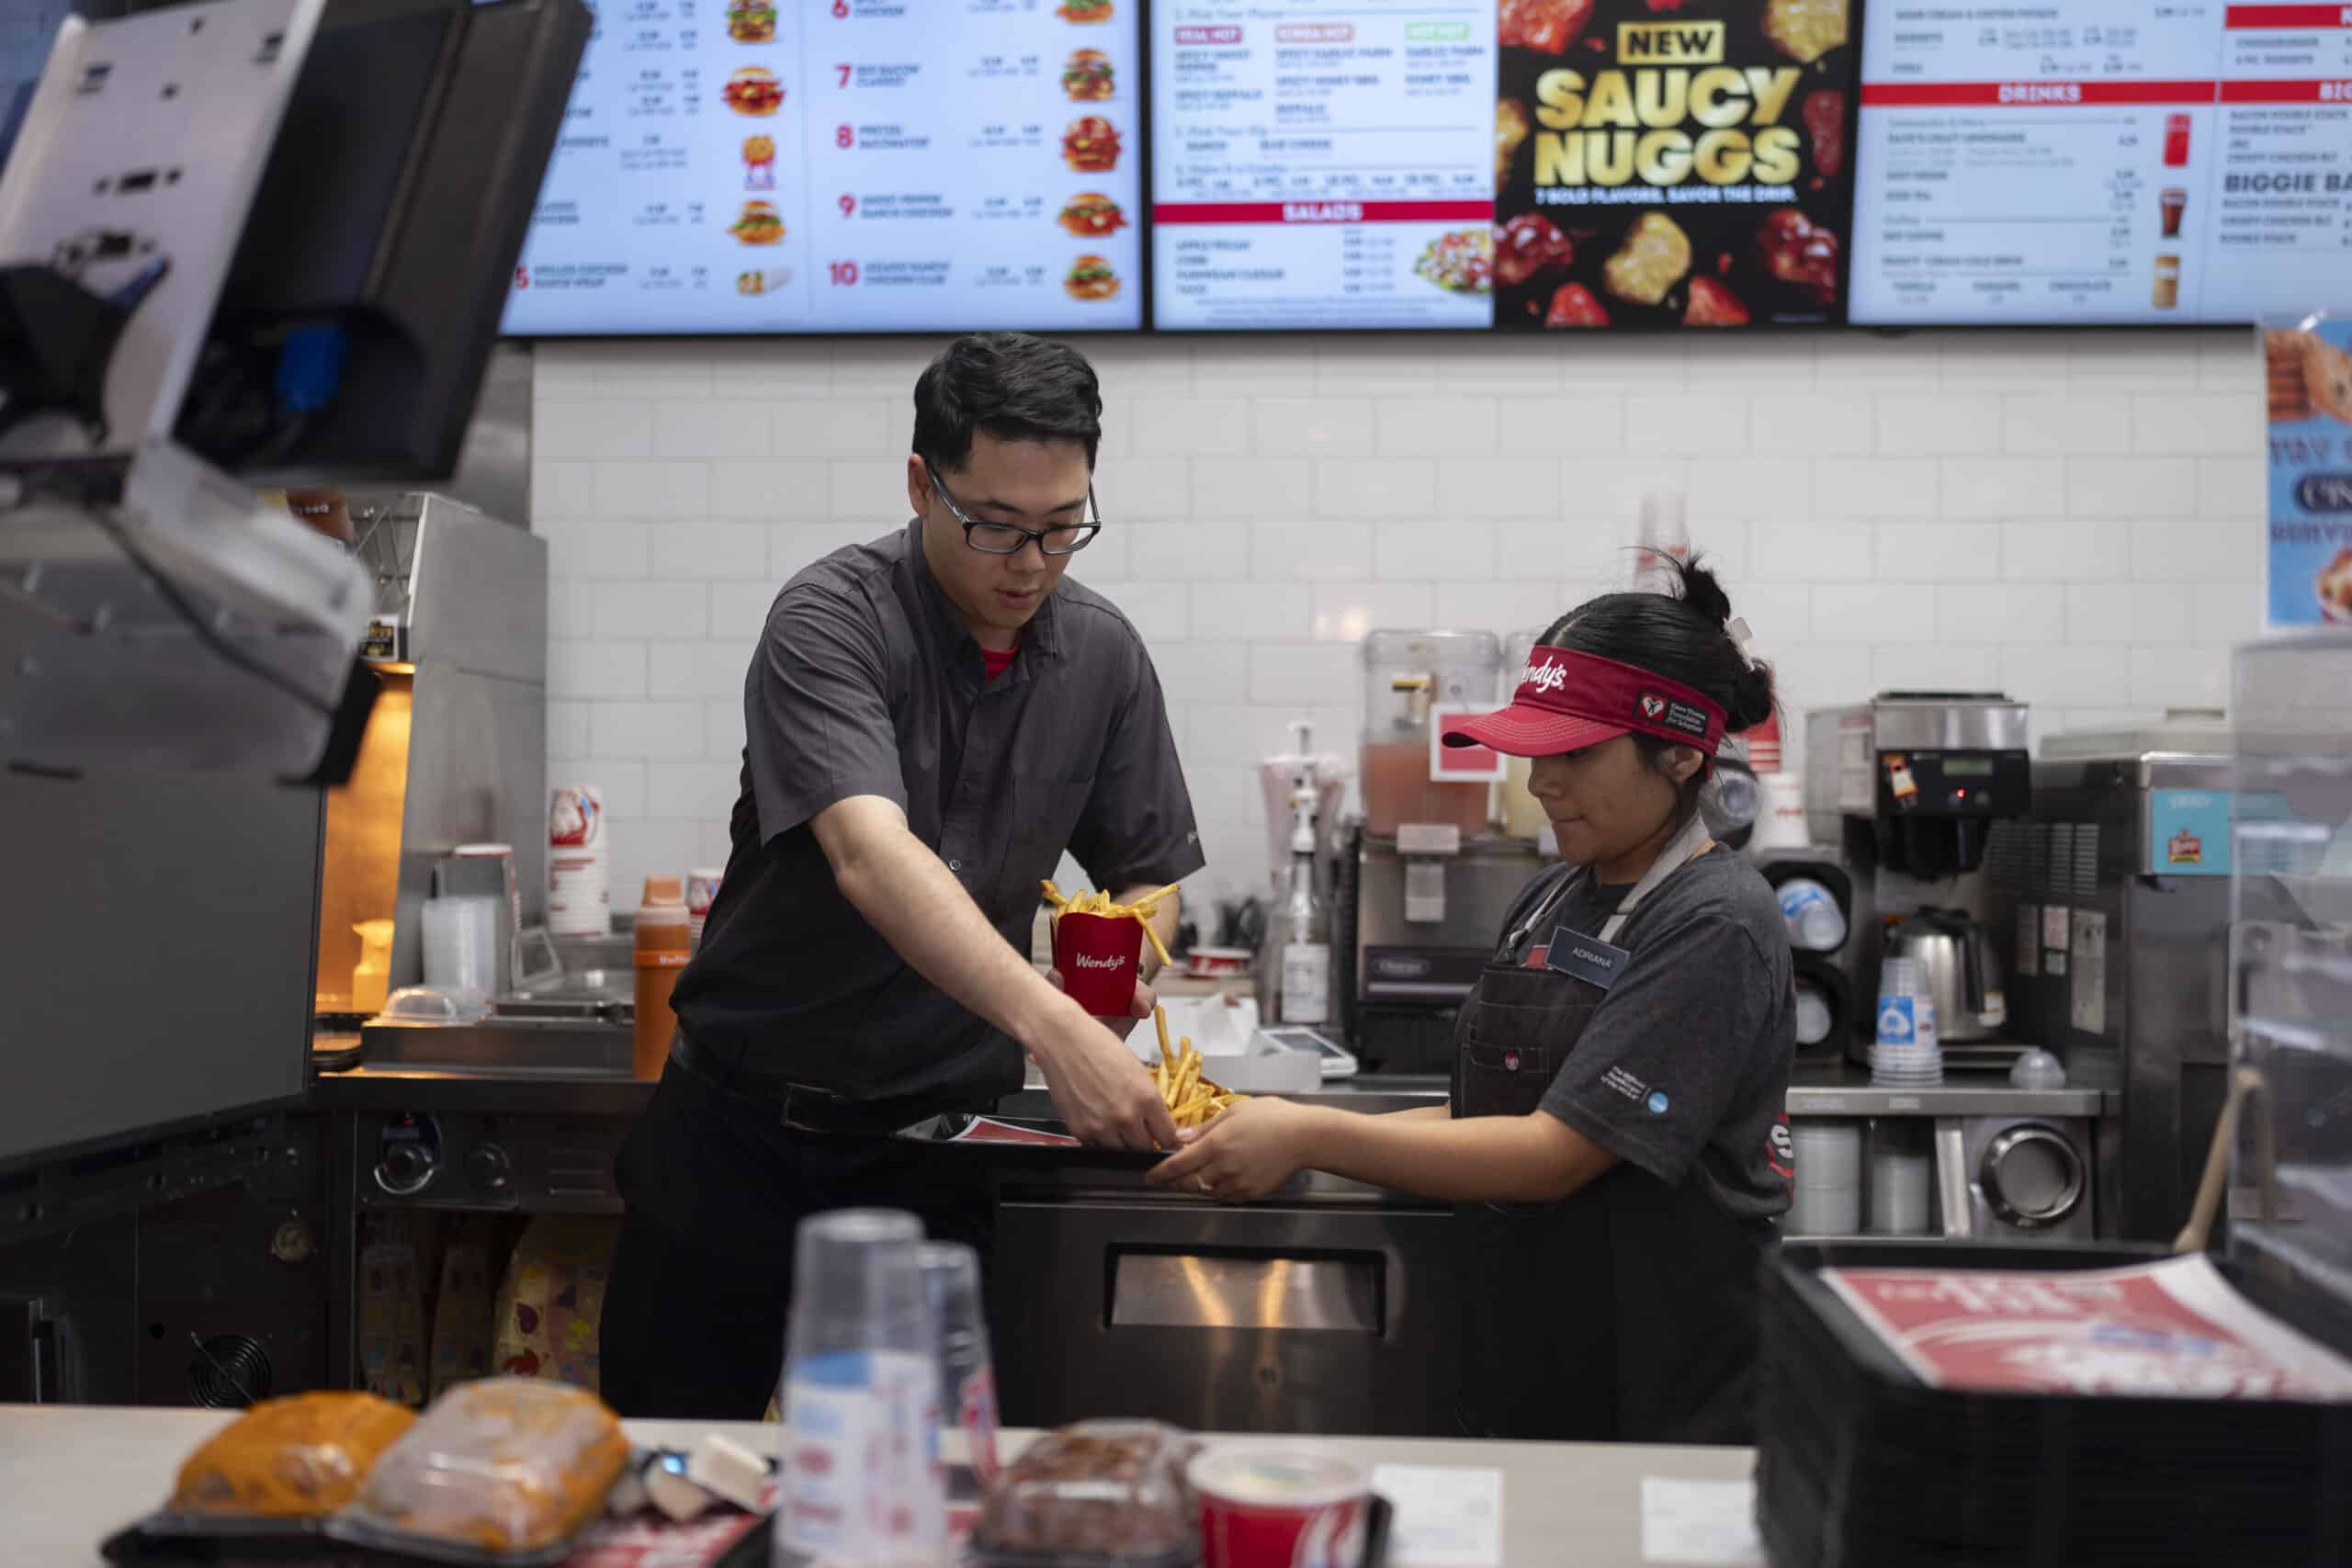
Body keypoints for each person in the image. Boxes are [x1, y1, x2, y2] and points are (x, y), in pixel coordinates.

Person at [602, 333, 1203, 1417]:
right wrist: (1054, 1027)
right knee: (674, 1465)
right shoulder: (830, 620)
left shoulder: (1102, 654)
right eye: (996, 527)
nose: (1030, 564)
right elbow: (870, 857)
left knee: (929, 1486)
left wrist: (1115, 964)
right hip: (740, 1136)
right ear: (922, 482)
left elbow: (1148, 871)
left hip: (941, 1152)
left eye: (1063, 527)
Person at [1152, 558, 1793, 1445]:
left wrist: (1306, 1136)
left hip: (1661, 1392)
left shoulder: (1715, 921)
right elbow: (1484, 1112)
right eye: (1537, 753)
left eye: (1576, 753)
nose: (1541, 784)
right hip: (1531, 1365)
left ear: (1681, 749)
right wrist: (1271, 1115)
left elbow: (1553, 1152)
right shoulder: (1557, 893)